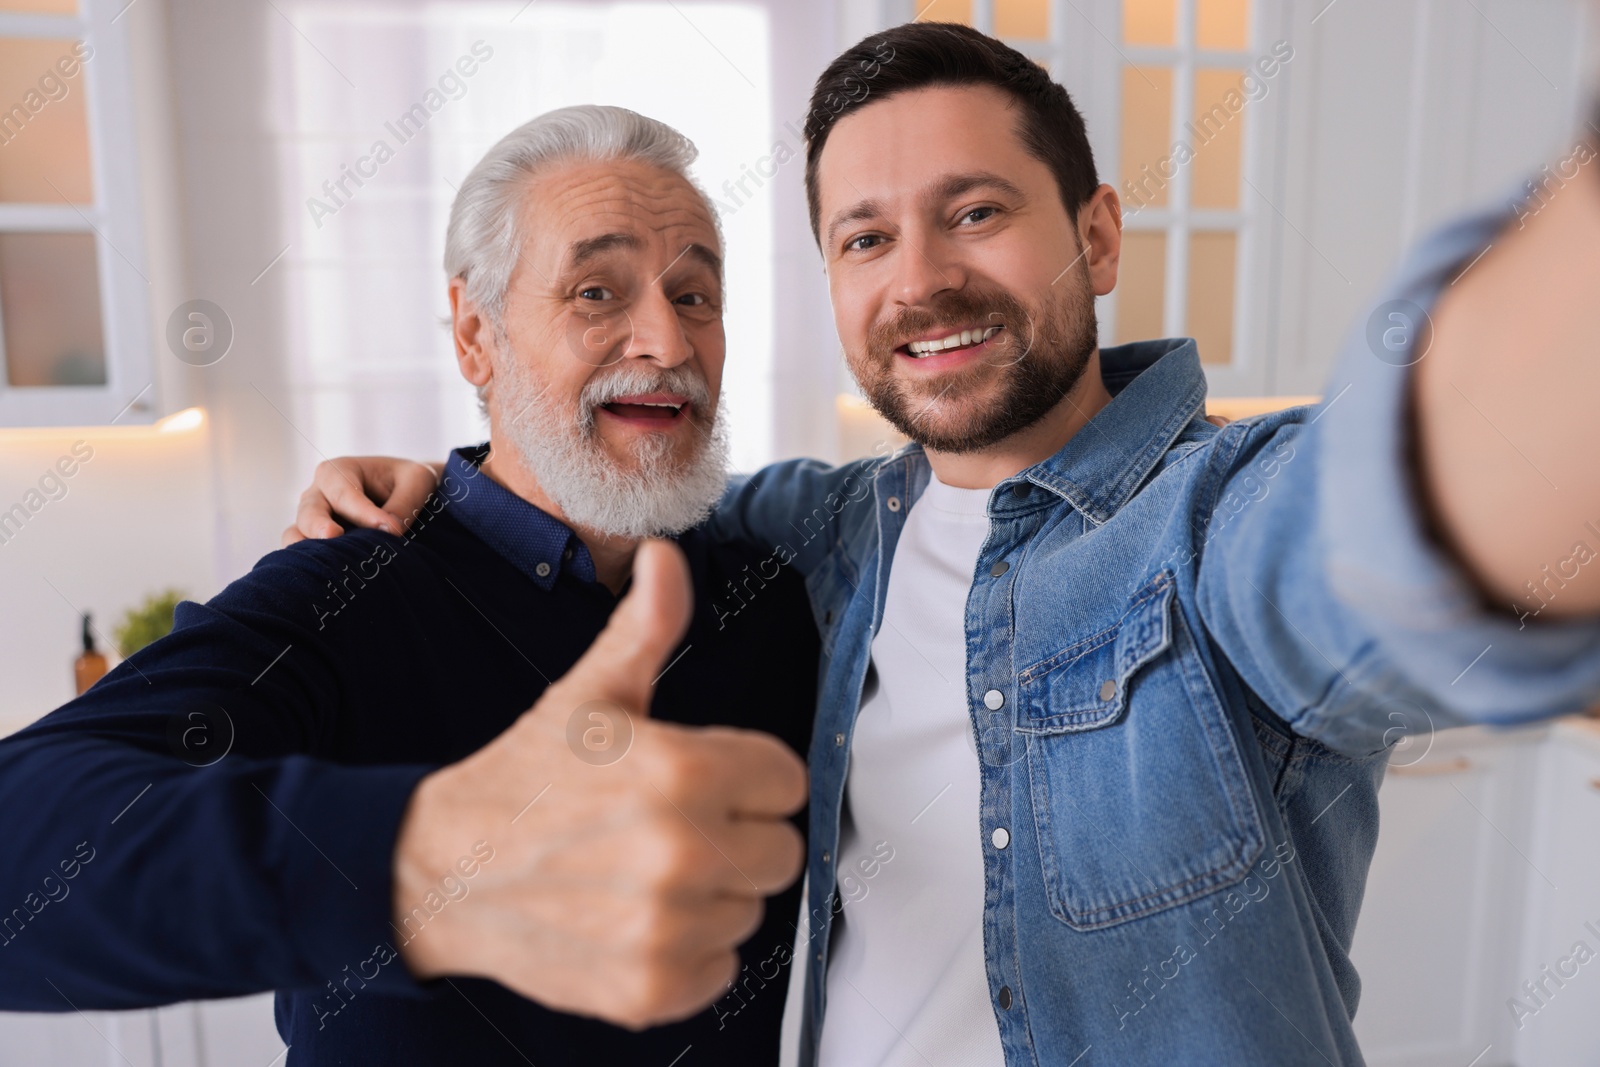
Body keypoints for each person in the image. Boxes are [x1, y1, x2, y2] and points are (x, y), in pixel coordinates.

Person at [298, 21, 1600, 1067]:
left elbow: (1390, 513)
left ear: (1094, 235)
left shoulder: (1217, 519)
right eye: (866, 237)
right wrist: (442, 482)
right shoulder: (819, 526)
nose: (918, 278)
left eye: (975, 211)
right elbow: (601, 476)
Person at [0, 105, 822, 1066]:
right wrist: (431, 860)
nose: (668, 343)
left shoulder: (782, 592)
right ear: (476, 337)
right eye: (596, 291)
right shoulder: (344, 590)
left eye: (694, 296)